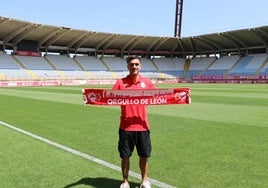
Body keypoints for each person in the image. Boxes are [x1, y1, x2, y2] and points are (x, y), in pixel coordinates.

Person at [112, 55, 155, 188]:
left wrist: (180, 96)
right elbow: (110, 97)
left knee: (144, 156)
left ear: (140, 66)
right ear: (128, 66)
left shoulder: (147, 83)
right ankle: (125, 182)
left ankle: (144, 181)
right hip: (125, 127)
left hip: (142, 126)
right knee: (125, 156)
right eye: (132, 64)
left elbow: (158, 96)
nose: (134, 67)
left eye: (136, 64)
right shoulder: (120, 83)